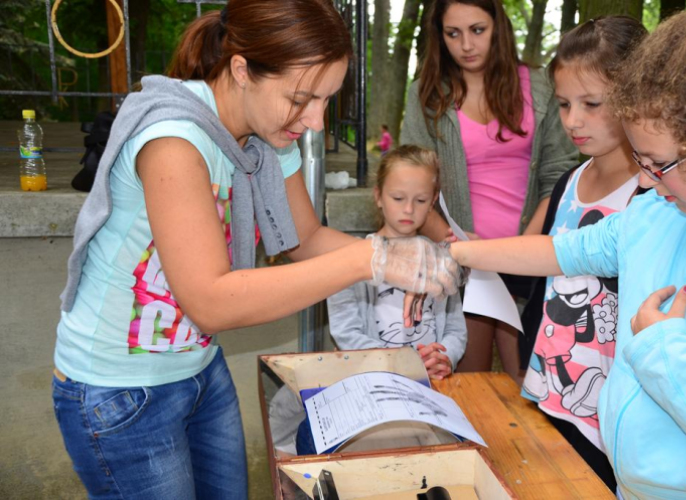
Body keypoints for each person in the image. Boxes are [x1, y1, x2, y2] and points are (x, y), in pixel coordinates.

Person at [50, 1, 464, 498]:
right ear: (242, 70)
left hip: (197, 368)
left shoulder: (269, 133)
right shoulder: (174, 140)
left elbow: (305, 240)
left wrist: (407, 256)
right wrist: (368, 258)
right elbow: (210, 301)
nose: (314, 121)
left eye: (327, 99)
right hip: (117, 391)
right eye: (301, 98)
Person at [446, 0, 686, 495]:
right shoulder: (657, 213)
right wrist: (452, 256)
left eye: (660, 164)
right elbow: (558, 252)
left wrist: (661, 351)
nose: (648, 181)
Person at [401, 0, 578, 379]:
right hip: (463, 261)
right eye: (453, 33)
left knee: (530, 382)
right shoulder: (425, 95)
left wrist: (519, 251)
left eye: (477, 30)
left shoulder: (542, 87)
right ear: (439, 36)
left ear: (498, 27)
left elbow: (558, 175)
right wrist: (462, 247)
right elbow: (411, 181)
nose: (466, 44)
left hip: (531, 256)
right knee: (470, 382)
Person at [515, 17, 647, 492]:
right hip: (548, 395)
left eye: (592, 104)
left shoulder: (655, 197)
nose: (573, 120)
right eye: (565, 104)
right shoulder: (567, 184)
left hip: (610, 423)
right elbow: (530, 276)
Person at [327, 145, 467, 380]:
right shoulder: (352, 259)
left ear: (433, 201)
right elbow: (346, 333)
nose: (409, 209)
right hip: (374, 381)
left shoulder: (440, 260)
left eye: (421, 200)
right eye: (398, 198)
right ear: (378, 196)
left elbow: (455, 329)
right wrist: (403, 363)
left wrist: (444, 358)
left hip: (432, 382)